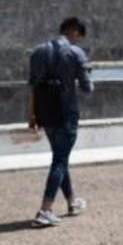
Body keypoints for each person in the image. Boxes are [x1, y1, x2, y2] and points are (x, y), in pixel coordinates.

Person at [27, 16, 93, 228]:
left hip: (44, 113)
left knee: (60, 157)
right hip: (66, 112)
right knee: (59, 160)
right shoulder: (75, 53)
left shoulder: (38, 51)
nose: (77, 41)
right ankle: (45, 210)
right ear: (73, 31)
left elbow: (31, 86)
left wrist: (31, 115)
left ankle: (72, 202)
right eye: (78, 37)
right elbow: (87, 87)